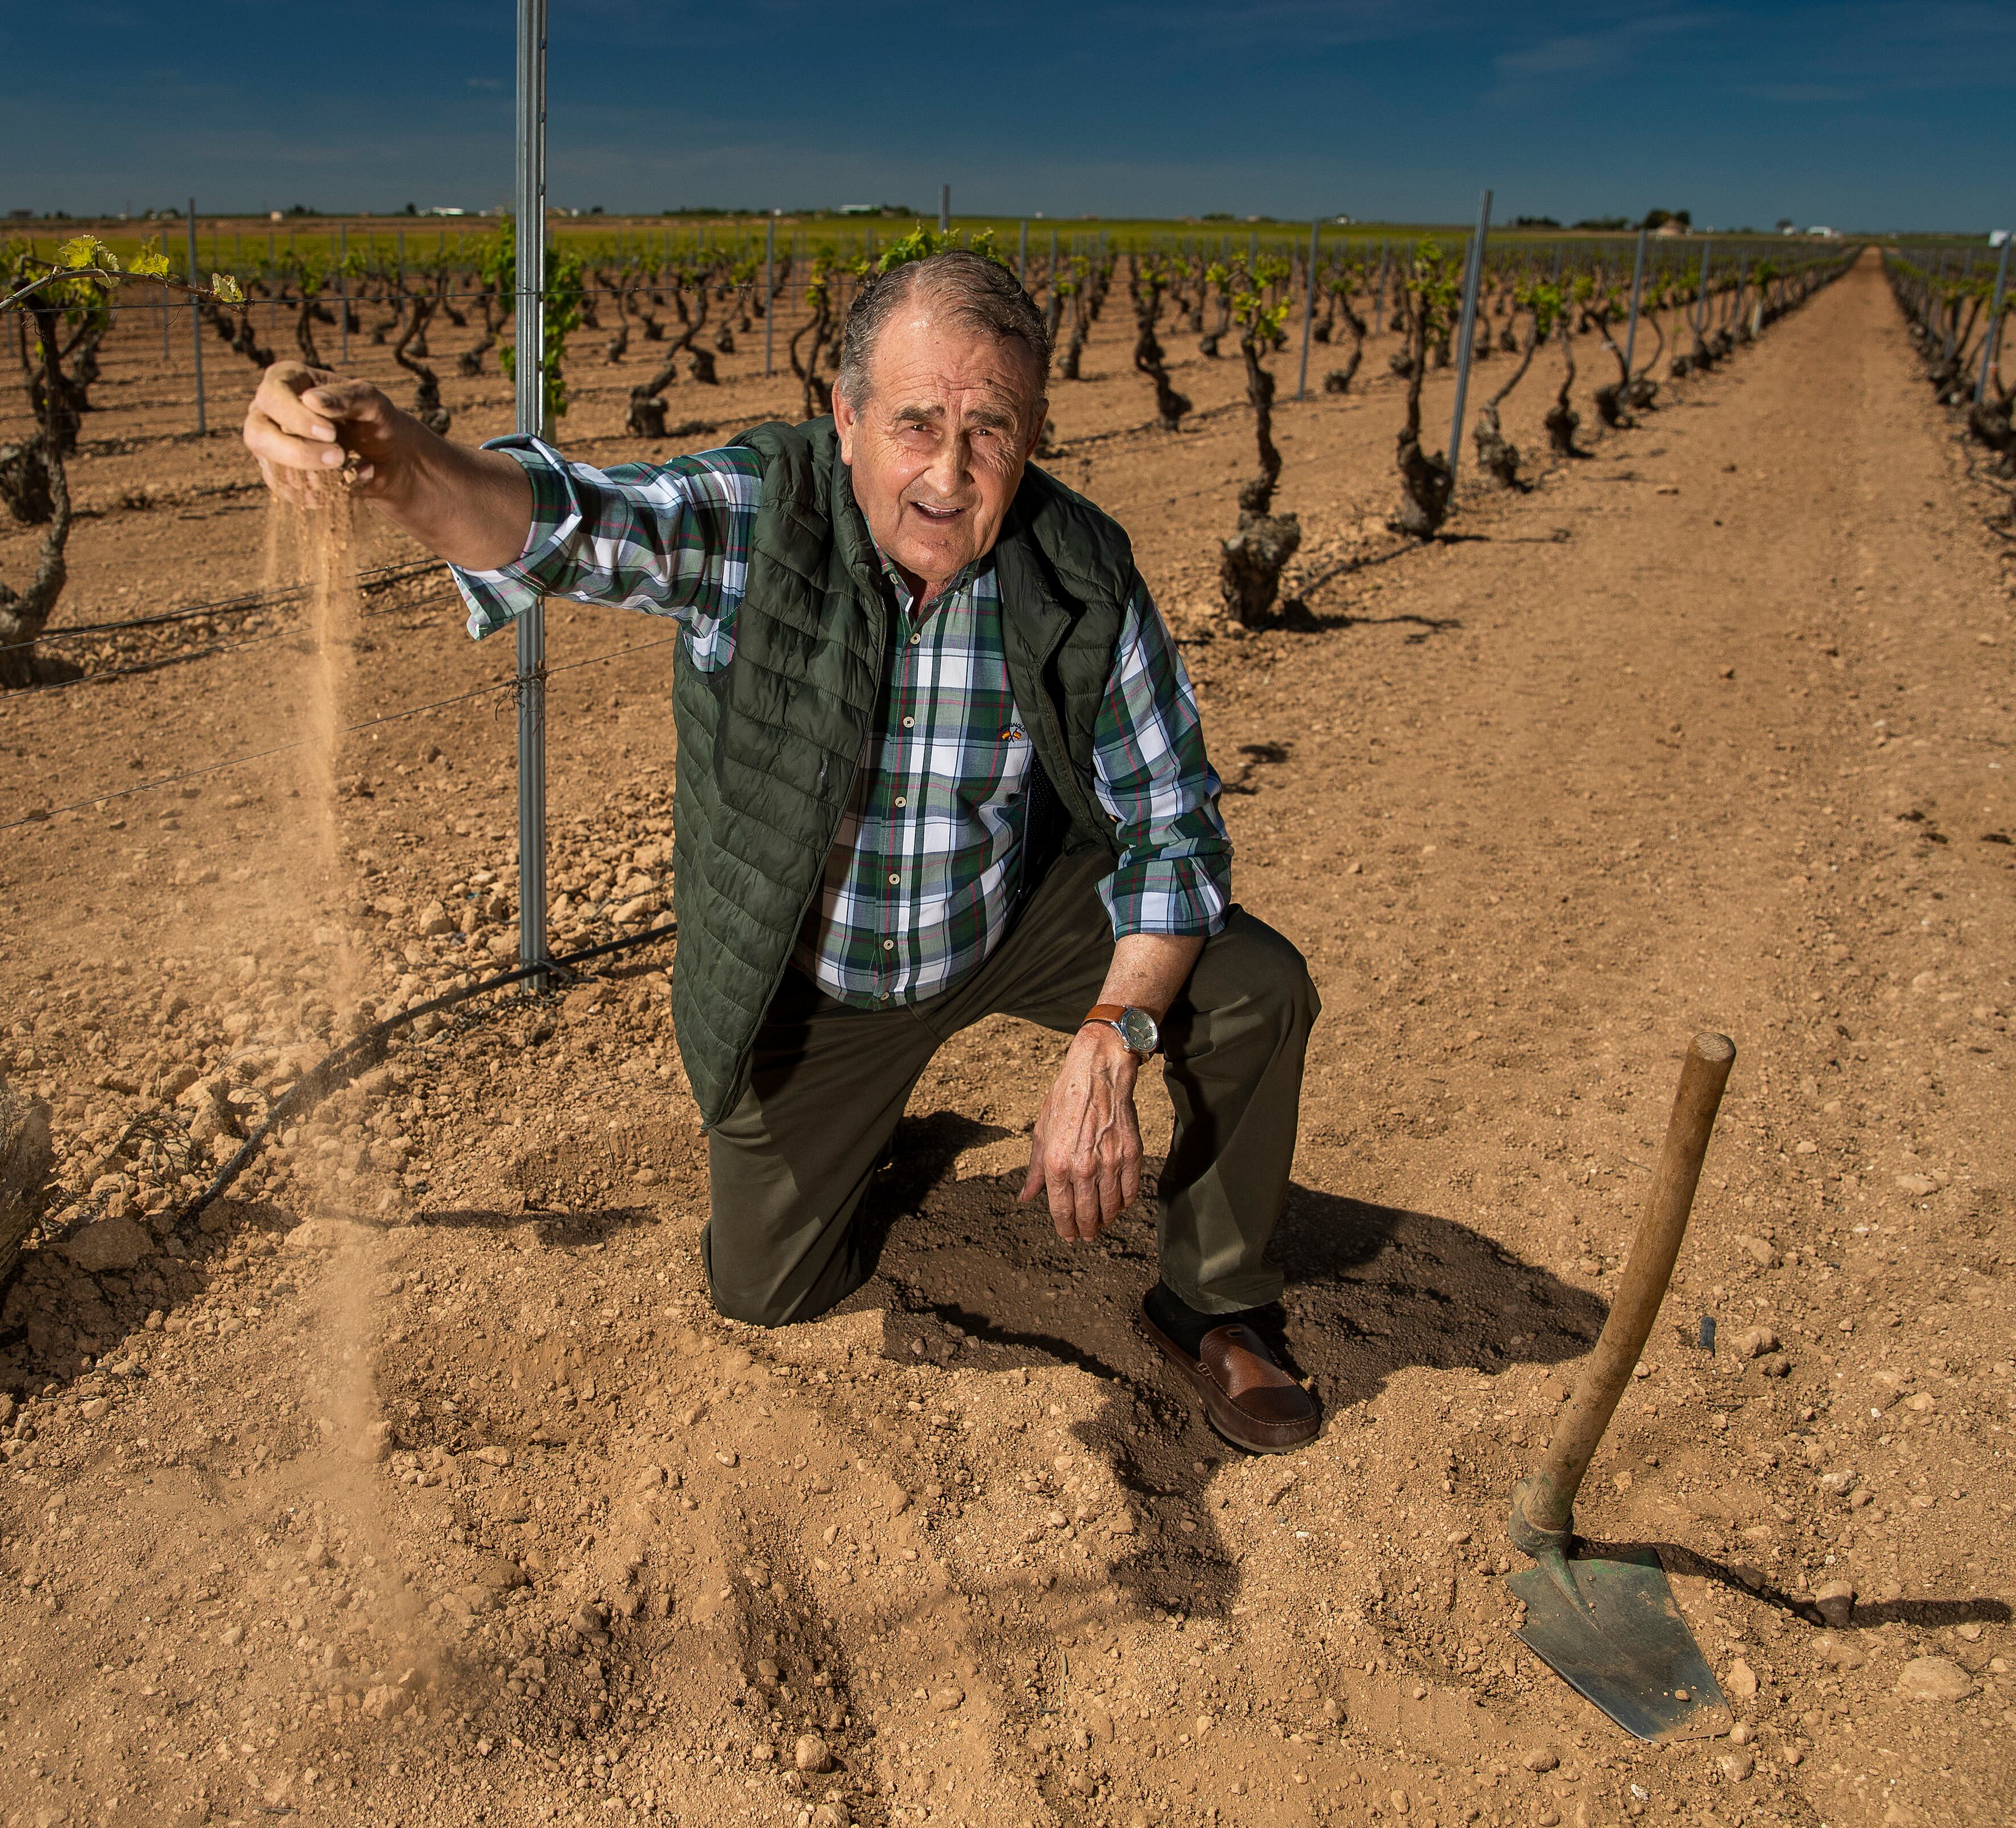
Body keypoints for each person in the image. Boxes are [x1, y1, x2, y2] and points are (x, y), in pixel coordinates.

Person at [242, 249, 1322, 1454]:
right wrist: (393, 455)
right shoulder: (762, 513)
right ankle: (869, 1128)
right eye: (914, 423)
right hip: (822, 982)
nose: (948, 475)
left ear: (1034, 435)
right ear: (848, 417)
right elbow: (574, 524)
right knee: (763, 1288)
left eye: (990, 430)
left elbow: (1172, 818)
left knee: (1250, 985)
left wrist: (1112, 1035)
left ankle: (1212, 1303)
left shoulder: (1078, 565)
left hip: (1007, 916)